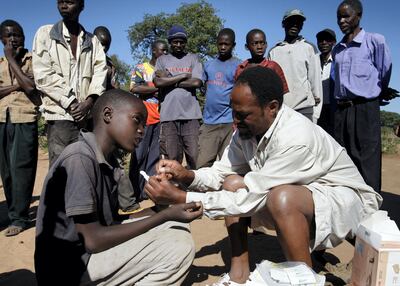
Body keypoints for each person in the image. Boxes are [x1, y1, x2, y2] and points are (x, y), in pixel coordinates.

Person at [145, 67, 382, 285]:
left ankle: (303, 279)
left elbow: (251, 197)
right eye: (233, 112)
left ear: (272, 107)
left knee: (282, 197)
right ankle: (239, 274)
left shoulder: (296, 137)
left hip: (347, 202)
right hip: (305, 196)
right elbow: (222, 172)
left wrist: (182, 198)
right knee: (232, 183)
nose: (235, 121)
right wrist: (187, 175)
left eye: (243, 114)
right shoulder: (246, 131)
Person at [34, 89, 202, 286]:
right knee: (178, 247)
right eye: (136, 120)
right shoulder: (79, 158)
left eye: (144, 125)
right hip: (67, 269)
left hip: (85, 256)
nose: (142, 130)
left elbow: (110, 223)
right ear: (108, 115)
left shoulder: (108, 161)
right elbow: (93, 239)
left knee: (177, 225)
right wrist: (163, 217)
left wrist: (161, 210)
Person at [32, 0, 107, 167]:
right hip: (59, 116)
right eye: (60, 2)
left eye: (70, 2)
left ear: (81, 6)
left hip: (86, 117)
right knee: (61, 170)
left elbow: (100, 71)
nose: (64, 6)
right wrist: (72, 103)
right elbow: (43, 75)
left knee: (87, 166)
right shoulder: (45, 34)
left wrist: (88, 102)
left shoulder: (92, 40)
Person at [332, 0, 392, 193]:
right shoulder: (337, 49)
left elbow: (384, 71)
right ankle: (349, 205)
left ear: (358, 16)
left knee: (367, 158)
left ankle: (371, 208)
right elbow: (335, 78)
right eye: (339, 17)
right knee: (344, 158)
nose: (341, 20)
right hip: (342, 110)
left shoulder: (375, 41)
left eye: (346, 16)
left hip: (365, 108)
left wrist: (374, 92)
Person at [0, 20, 41, 237]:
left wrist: (11, 60)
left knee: (22, 170)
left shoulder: (34, 61)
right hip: (1, 119)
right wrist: (18, 85)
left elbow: (32, 87)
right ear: (1, 39)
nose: (13, 39)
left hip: (24, 118)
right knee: (6, 171)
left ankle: (20, 217)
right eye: (8, 35)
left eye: (17, 35)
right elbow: (24, 85)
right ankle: (13, 210)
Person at [153, 25, 203, 169]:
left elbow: (197, 82)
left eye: (182, 42)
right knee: (171, 159)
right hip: (169, 116)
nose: (179, 45)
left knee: (195, 157)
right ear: (170, 42)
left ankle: (196, 188)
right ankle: (173, 190)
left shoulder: (193, 58)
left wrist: (169, 80)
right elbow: (158, 82)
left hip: (191, 116)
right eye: (175, 42)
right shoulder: (162, 60)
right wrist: (182, 76)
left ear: (185, 42)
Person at [128, 39, 168, 202]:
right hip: (143, 119)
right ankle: (133, 192)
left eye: (166, 51)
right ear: (153, 51)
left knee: (154, 157)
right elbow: (135, 87)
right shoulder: (141, 68)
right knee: (139, 155)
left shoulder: (166, 71)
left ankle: (147, 191)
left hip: (161, 119)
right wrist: (156, 89)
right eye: (162, 50)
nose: (164, 53)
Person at [196, 28, 241, 169]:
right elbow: (202, 87)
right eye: (220, 43)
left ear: (233, 45)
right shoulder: (208, 65)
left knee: (227, 167)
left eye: (226, 44)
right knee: (202, 164)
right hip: (209, 122)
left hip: (229, 122)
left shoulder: (239, 65)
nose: (222, 47)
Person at [268, 9, 322, 121]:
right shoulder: (274, 51)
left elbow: (316, 83)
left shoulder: (309, 48)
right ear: (283, 24)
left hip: (305, 109)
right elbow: (271, 84)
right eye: (291, 21)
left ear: (302, 25)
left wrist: (315, 115)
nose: (295, 25)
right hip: (281, 110)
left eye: (299, 22)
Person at [234, 28, 288, 95]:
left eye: (262, 43)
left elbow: (283, 92)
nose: (259, 47)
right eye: (255, 43)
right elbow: (237, 92)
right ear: (247, 47)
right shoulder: (241, 69)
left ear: (266, 45)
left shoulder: (273, 67)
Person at [316, 28, 336, 135]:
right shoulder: (313, 60)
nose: (324, 43)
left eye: (327, 40)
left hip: (333, 108)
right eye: (321, 40)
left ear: (334, 42)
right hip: (317, 109)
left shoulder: (338, 61)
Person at [93, 26, 118, 90]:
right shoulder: (85, 58)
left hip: (105, 97)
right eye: (101, 44)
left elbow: (114, 85)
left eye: (107, 45)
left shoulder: (110, 64)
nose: (104, 48)